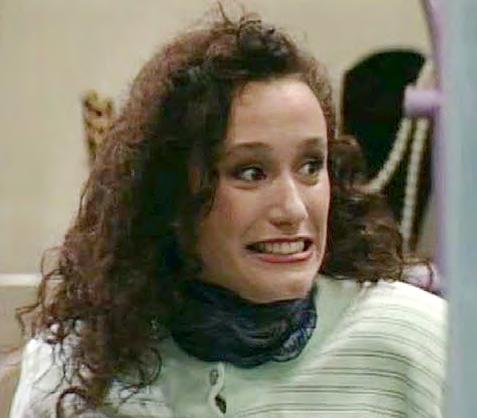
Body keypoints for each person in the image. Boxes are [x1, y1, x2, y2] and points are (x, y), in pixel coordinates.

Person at [10, 6, 446, 418]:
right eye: (251, 172)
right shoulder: (73, 369)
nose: (293, 209)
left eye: (311, 166)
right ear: (173, 193)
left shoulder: (419, 342)